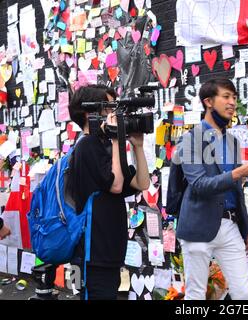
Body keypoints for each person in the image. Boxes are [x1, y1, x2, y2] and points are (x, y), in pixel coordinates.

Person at [173, 78, 248, 300]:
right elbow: (198, 185)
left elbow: (236, 190)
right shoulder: (190, 139)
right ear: (208, 102)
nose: (232, 102)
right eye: (226, 97)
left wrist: (247, 229)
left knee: (243, 293)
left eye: (234, 97)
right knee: (195, 294)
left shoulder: (232, 141)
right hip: (197, 224)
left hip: (230, 225)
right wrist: (238, 173)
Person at [68, 85, 150, 300]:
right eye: (109, 108)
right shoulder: (86, 146)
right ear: (89, 113)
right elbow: (114, 185)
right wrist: (115, 140)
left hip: (109, 252)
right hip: (90, 255)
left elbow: (142, 183)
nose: (114, 115)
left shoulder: (104, 147)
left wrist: (138, 147)